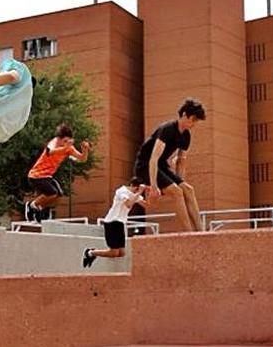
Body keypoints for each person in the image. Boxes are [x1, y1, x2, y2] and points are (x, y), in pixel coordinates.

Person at [133, 98, 205, 232]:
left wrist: (179, 181)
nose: (194, 123)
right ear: (184, 115)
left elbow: (181, 162)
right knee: (177, 192)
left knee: (188, 190)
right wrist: (154, 187)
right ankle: (189, 233)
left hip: (161, 166)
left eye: (196, 121)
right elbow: (153, 159)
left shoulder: (186, 136)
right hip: (145, 166)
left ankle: (200, 231)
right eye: (193, 119)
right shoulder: (167, 129)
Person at [24, 125, 90, 222]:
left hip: (47, 176)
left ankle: (39, 207)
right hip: (36, 175)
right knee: (52, 193)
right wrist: (65, 148)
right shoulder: (54, 142)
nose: (65, 144)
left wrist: (85, 150)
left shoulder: (69, 149)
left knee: (59, 194)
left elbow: (82, 159)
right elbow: (49, 152)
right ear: (59, 139)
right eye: (64, 141)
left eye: (68, 141)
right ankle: (31, 205)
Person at [83, 178, 148, 268]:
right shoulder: (121, 191)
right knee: (114, 252)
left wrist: (152, 192)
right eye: (136, 189)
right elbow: (128, 204)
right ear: (132, 185)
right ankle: (90, 252)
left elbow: (146, 205)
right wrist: (139, 192)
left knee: (121, 253)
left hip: (120, 223)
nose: (136, 192)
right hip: (112, 222)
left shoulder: (134, 194)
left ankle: (92, 253)